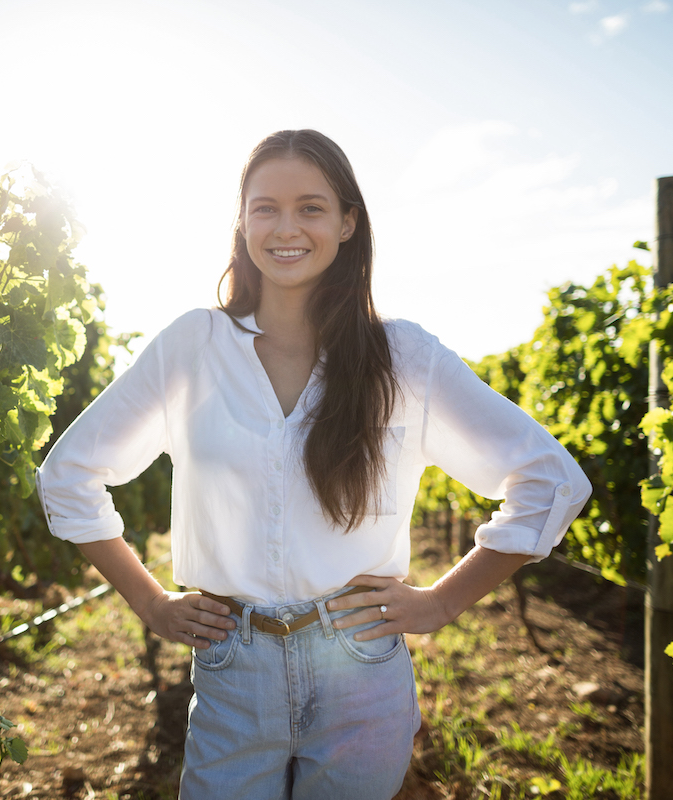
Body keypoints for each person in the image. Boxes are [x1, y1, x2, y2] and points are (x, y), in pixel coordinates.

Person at [36, 129, 592, 799]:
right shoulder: (194, 345)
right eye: (264, 207)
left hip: (360, 668)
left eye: (311, 207)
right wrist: (149, 602)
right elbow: (67, 475)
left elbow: (550, 480)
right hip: (232, 664)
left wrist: (443, 602)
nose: (286, 227)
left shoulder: (404, 358)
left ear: (348, 222)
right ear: (242, 223)